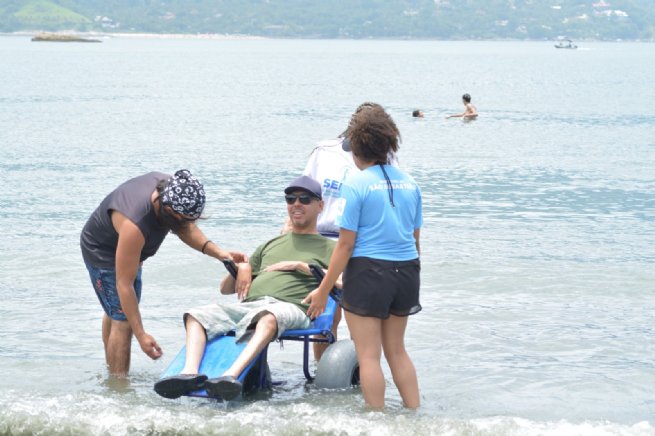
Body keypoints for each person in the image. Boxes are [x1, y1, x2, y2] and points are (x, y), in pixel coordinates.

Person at [154, 175, 338, 401]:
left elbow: (345, 284)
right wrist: (242, 266)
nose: (296, 204)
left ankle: (231, 375)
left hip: (293, 308)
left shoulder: (331, 248)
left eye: (304, 199)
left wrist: (301, 266)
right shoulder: (271, 244)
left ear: (320, 206)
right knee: (196, 315)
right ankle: (189, 373)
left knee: (269, 317)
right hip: (253, 305)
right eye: (290, 199)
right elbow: (225, 289)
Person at [304, 106, 422, 409]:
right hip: (407, 272)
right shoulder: (411, 183)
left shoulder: (356, 184)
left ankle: (376, 420)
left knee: (368, 355)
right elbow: (415, 239)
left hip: (369, 274)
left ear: (355, 147)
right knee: (397, 350)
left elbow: (345, 246)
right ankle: (414, 414)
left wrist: (322, 290)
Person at [81, 170, 247, 377]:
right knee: (123, 319)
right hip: (102, 250)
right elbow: (124, 285)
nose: (187, 225)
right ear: (169, 210)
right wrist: (141, 335)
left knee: (116, 310)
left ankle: (111, 369)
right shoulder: (135, 224)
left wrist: (220, 254)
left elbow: (186, 229)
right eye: (183, 219)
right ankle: (119, 386)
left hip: (130, 247)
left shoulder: (174, 189)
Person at [285, 102, 393, 361]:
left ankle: (361, 369)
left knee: (361, 317)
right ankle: (323, 371)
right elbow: (303, 191)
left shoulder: (383, 156)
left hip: (362, 243)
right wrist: (289, 229)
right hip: (324, 236)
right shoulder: (325, 151)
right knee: (326, 314)